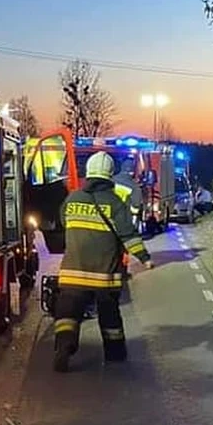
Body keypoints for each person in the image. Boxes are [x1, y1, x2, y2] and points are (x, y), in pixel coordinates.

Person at [52, 151, 154, 372]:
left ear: (88, 173)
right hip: (104, 276)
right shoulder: (115, 203)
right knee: (109, 315)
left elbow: (62, 223)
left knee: (67, 311)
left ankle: (64, 345)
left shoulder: (72, 199)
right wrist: (144, 258)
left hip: (72, 273)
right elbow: (129, 235)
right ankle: (115, 353)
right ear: (109, 175)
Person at [113, 158, 143, 230]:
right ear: (132, 172)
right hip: (124, 218)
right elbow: (136, 206)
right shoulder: (134, 187)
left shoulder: (111, 181)